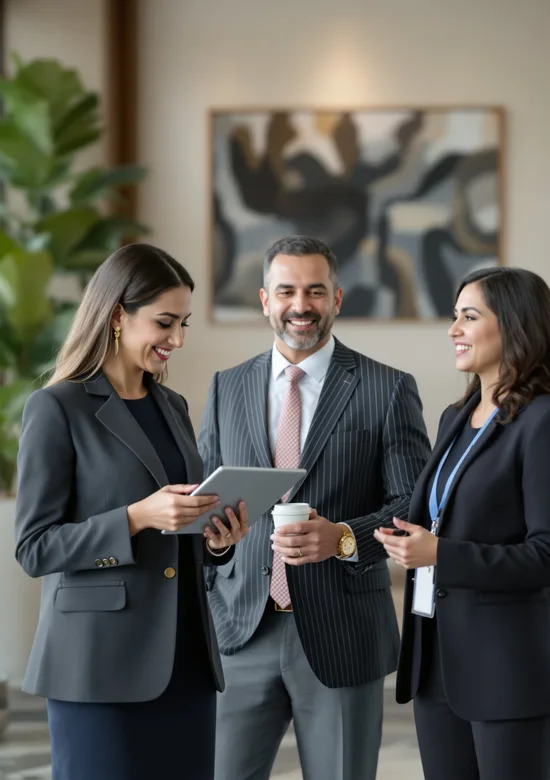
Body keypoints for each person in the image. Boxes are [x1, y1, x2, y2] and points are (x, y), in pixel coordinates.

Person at [198, 235, 431, 780]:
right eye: (286, 291)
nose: (300, 305)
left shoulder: (388, 388)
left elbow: (411, 507)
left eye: (315, 291)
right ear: (264, 300)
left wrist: (345, 537)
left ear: (337, 298)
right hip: (240, 630)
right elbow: (207, 499)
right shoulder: (225, 387)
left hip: (342, 634)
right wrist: (214, 539)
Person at [14, 243, 249, 780]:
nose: (178, 340)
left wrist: (216, 538)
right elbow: (34, 548)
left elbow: (178, 527)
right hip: (97, 668)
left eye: (184, 323)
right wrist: (134, 517)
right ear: (118, 315)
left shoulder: (173, 406)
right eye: (165, 323)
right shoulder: (56, 408)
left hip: (184, 660)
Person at [375, 266, 550, 780]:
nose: (453, 329)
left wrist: (440, 555)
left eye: (468, 317)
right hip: (437, 667)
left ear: (516, 326)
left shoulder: (542, 423)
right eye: (454, 316)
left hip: (507, 675)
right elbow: (436, 516)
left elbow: (545, 554)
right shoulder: (457, 415)